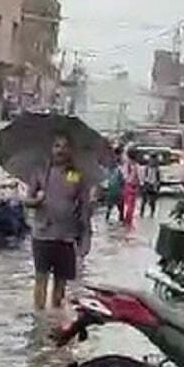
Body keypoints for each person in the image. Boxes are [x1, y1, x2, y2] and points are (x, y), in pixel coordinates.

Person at [25, 133, 89, 310]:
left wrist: (85, 238)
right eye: (57, 146)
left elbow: (84, 206)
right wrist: (36, 201)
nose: (61, 150)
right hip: (43, 233)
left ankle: (55, 319)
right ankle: (39, 320)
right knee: (41, 279)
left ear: (71, 150)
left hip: (66, 236)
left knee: (61, 282)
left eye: (65, 146)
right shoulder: (40, 172)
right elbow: (27, 200)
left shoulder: (74, 175)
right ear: (51, 150)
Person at [121, 147, 141, 229]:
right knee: (131, 205)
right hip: (133, 186)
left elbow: (123, 175)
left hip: (127, 185)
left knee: (127, 204)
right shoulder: (136, 166)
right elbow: (140, 177)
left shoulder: (126, 165)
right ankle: (128, 221)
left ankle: (126, 220)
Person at [103, 152, 125, 224]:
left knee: (113, 206)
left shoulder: (115, 171)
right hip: (114, 191)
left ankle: (109, 218)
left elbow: (122, 181)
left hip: (114, 191)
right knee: (116, 206)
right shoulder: (116, 170)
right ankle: (120, 218)